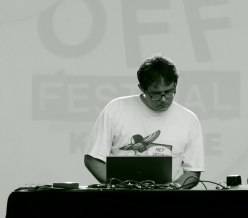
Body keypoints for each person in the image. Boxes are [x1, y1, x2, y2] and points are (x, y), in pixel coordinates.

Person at [84, 54, 204, 188]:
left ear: (176, 84)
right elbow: (93, 159)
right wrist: (120, 188)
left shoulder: (189, 120)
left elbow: (193, 172)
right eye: (156, 93)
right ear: (142, 88)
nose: (163, 99)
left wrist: (174, 188)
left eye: (169, 91)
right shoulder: (116, 109)